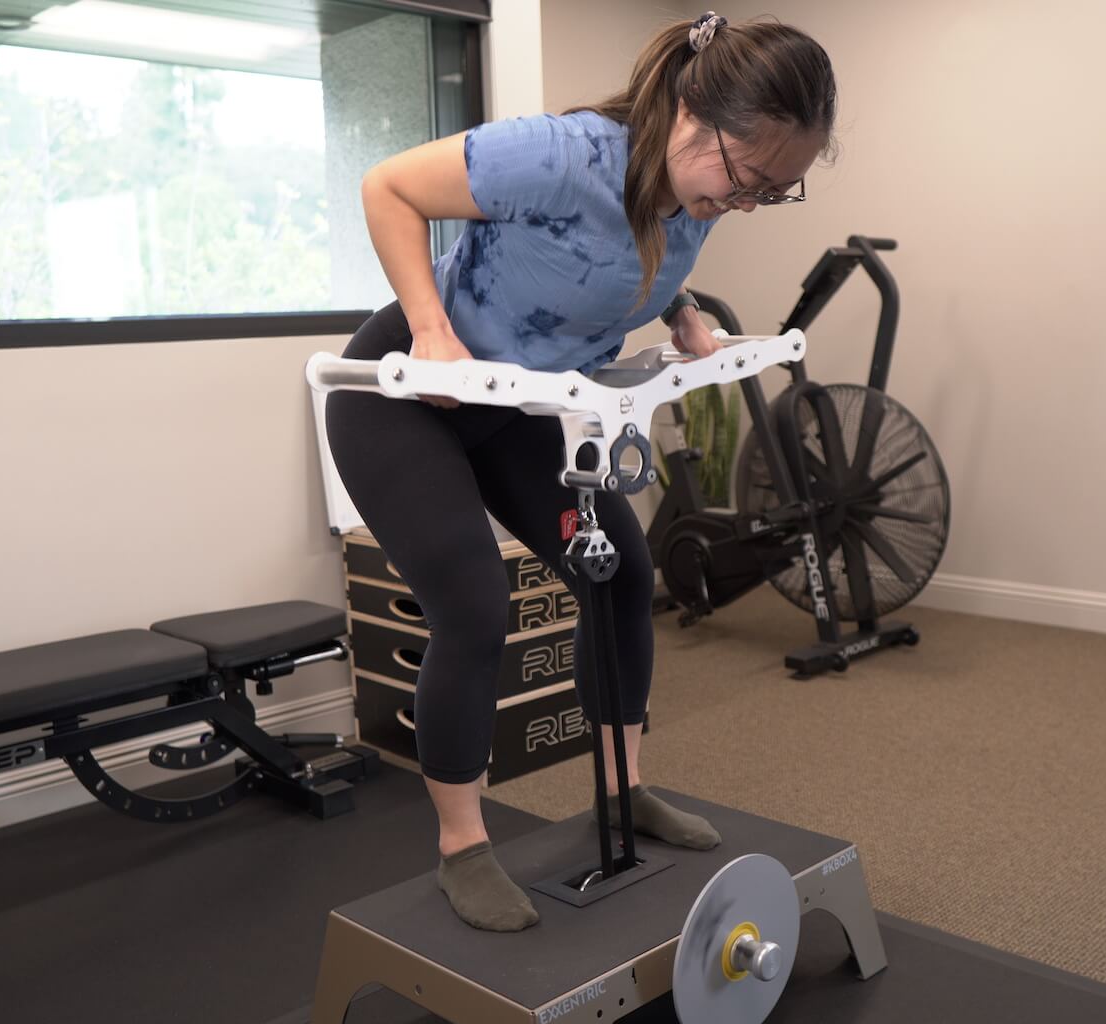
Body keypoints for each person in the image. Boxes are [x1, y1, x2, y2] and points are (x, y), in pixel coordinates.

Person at [324, 13, 837, 932]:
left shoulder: (695, 194)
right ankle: (461, 845)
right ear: (690, 110)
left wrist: (680, 312)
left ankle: (622, 787)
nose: (748, 201)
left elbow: (625, 255)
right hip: (406, 394)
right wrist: (433, 329)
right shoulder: (558, 155)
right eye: (746, 175)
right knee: (475, 608)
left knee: (622, 576)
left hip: (517, 407)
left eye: (775, 190)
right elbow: (388, 187)